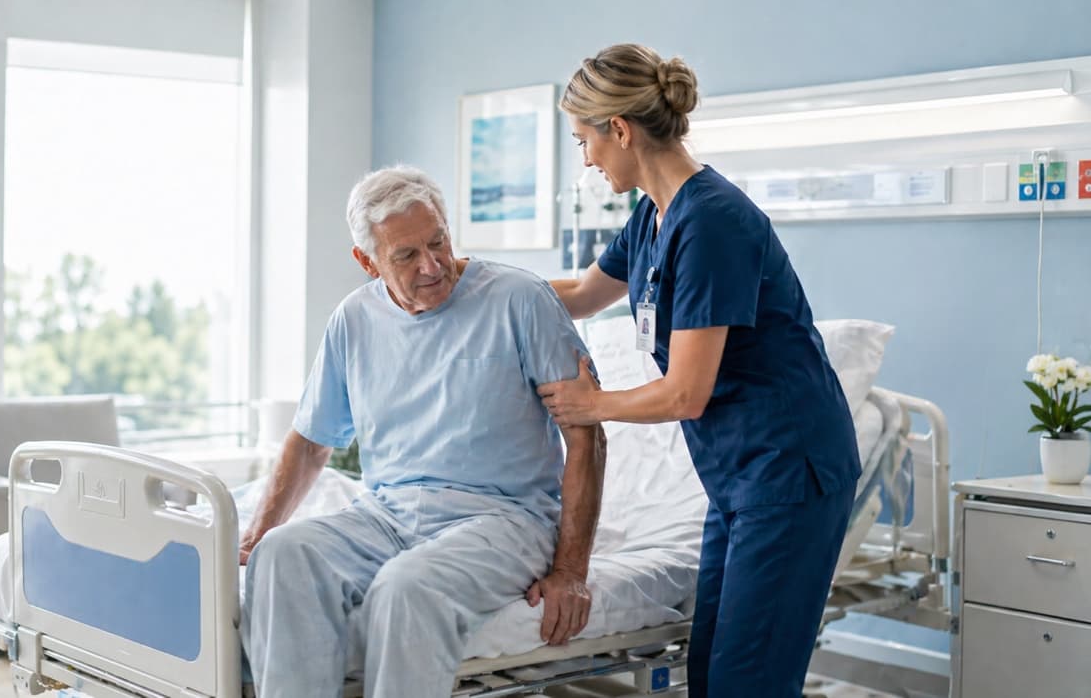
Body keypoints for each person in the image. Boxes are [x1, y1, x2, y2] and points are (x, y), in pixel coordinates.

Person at [537, 44, 861, 698]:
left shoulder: (711, 220)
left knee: (748, 681)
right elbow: (577, 294)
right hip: (737, 477)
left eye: (584, 142)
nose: (587, 160)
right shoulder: (651, 215)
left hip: (787, 470)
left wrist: (588, 404)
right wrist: (464, 280)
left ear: (620, 131)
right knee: (713, 672)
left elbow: (686, 391)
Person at [238, 165, 606, 697]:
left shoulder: (520, 299)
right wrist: (259, 531)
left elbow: (586, 436)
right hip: (387, 511)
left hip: (504, 518)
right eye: (406, 255)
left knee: (405, 588)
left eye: (439, 242)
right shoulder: (353, 321)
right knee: (282, 555)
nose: (432, 265)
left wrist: (571, 570)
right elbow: (311, 439)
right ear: (367, 262)